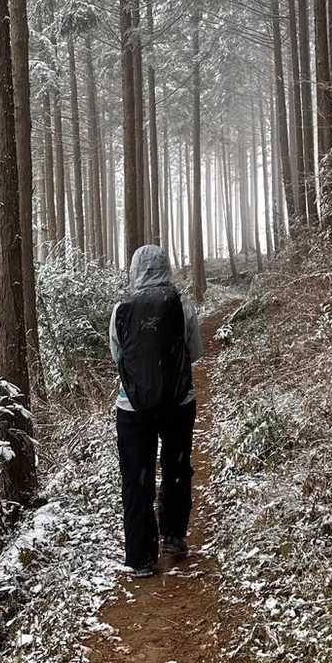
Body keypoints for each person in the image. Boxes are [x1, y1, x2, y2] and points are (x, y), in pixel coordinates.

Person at [109, 244, 202, 577]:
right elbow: (195, 352)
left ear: (134, 270)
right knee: (176, 468)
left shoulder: (121, 310)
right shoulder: (182, 305)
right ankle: (173, 537)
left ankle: (140, 558)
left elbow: (118, 358)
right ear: (167, 267)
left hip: (132, 407)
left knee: (136, 478)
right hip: (178, 402)